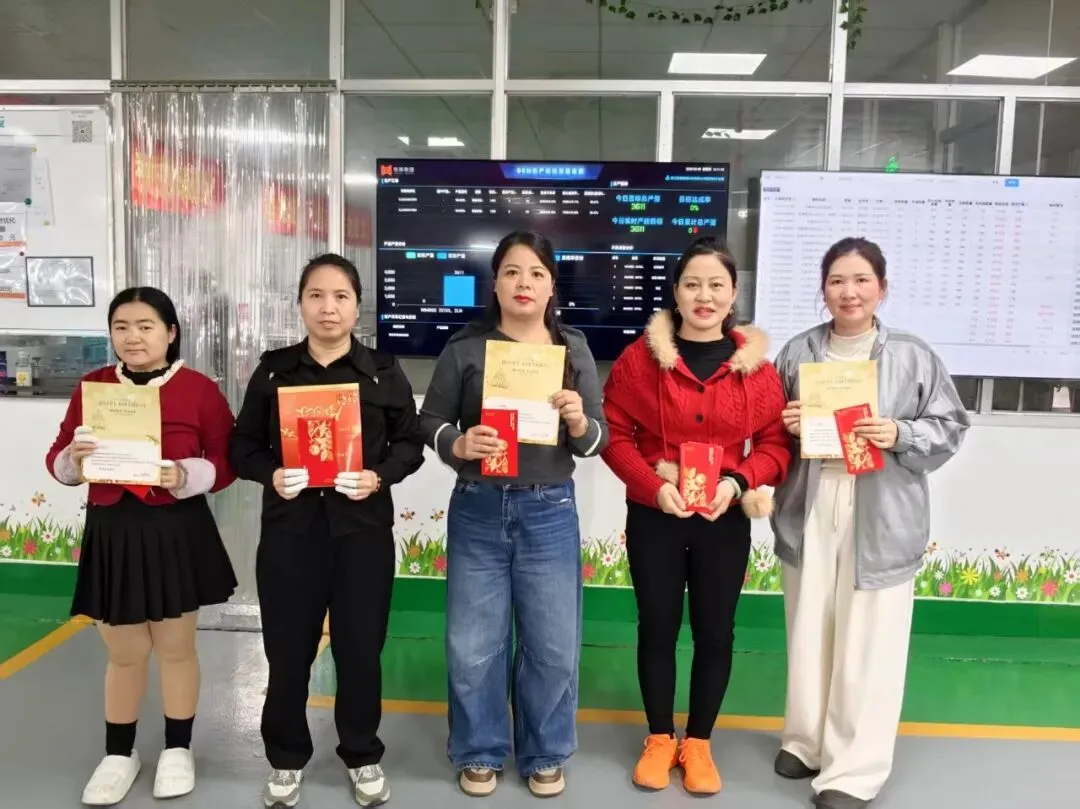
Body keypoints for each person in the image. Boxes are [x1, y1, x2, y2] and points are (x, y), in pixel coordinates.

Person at [770, 237, 970, 809]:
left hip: (880, 505)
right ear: (823, 288)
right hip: (811, 501)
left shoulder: (911, 354)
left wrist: (900, 432)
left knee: (868, 639)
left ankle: (854, 771)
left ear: (882, 287)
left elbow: (951, 426)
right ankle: (806, 741)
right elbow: (766, 430)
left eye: (861, 280)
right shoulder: (799, 351)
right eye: (837, 280)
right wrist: (786, 422)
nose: (849, 292)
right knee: (809, 624)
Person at [228, 253, 425, 808]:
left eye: (341, 296)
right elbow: (242, 445)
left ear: (357, 307)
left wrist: (378, 476)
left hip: (362, 534)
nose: (328, 307)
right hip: (290, 535)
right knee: (288, 651)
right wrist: (271, 473)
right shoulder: (274, 372)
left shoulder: (383, 371)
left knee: (361, 650)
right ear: (300, 304)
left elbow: (410, 444)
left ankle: (361, 754)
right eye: (316, 295)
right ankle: (286, 758)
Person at [418, 231, 608, 799]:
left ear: (551, 287)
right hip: (478, 506)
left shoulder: (572, 349)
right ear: (496, 284)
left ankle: (545, 751)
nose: (524, 283)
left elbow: (596, 441)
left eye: (536, 273)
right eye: (512, 272)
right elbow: (429, 420)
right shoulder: (466, 347)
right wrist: (457, 442)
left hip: (549, 510)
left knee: (552, 643)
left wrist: (578, 421)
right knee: (472, 643)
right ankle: (479, 749)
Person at [599, 236, 790, 795]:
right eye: (692, 284)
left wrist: (739, 481)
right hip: (656, 515)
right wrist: (651, 486)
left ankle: (699, 742)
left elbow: (776, 444)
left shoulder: (757, 372)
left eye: (716, 285)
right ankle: (660, 737)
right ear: (676, 292)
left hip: (723, 520)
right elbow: (615, 435)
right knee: (657, 626)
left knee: (715, 631)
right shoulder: (639, 361)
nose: (704, 297)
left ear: (733, 295)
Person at [44, 286, 238, 805]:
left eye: (146, 326)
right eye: (121, 327)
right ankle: (118, 753)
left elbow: (227, 462)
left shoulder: (199, 390)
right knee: (124, 651)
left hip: (175, 528)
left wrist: (185, 473)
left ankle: (178, 749)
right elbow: (58, 457)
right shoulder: (93, 386)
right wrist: (73, 461)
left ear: (171, 333)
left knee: (176, 647)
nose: (133, 337)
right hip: (113, 528)